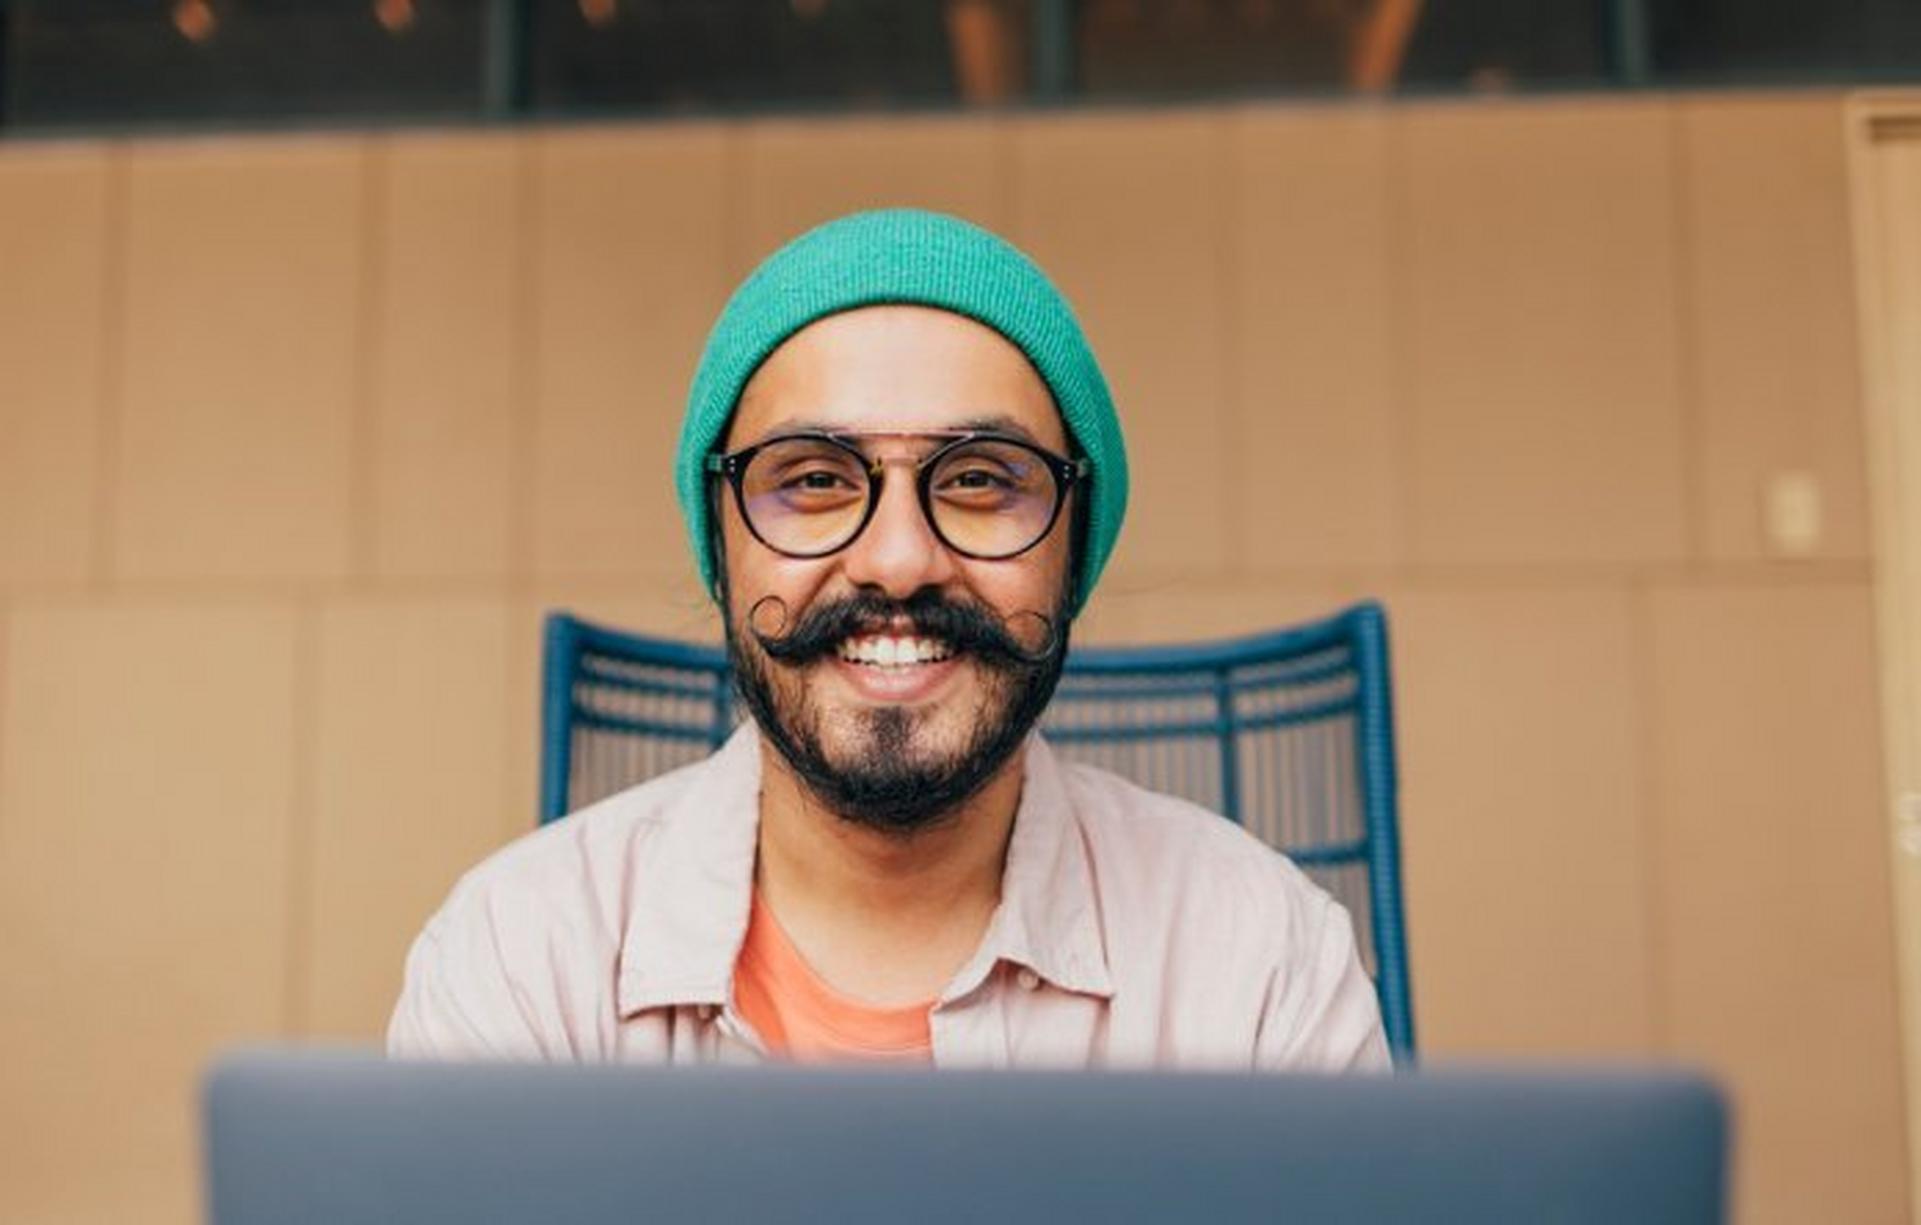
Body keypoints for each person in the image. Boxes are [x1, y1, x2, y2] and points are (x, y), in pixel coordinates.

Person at [388, 208, 1388, 1070]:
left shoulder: (1261, 964)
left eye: (981, 479)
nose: (899, 560)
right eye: (816, 479)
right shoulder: (516, 960)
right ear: (722, 542)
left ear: (1073, 549)